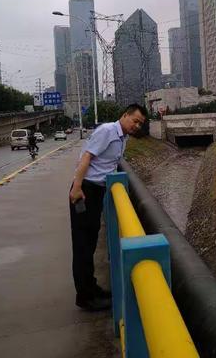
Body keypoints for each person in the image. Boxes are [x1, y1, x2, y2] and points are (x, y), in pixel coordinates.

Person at [69, 103, 147, 311]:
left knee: (91, 241)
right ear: (124, 115)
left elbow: (108, 163)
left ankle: (92, 288)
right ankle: (85, 297)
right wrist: (76, 188)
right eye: (135, 120)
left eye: (140, 124)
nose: (137, 126)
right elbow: (86, 157)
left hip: (97, 191)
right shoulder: (107, 131)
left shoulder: (122, 137)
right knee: (83, 246)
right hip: (85, 190)